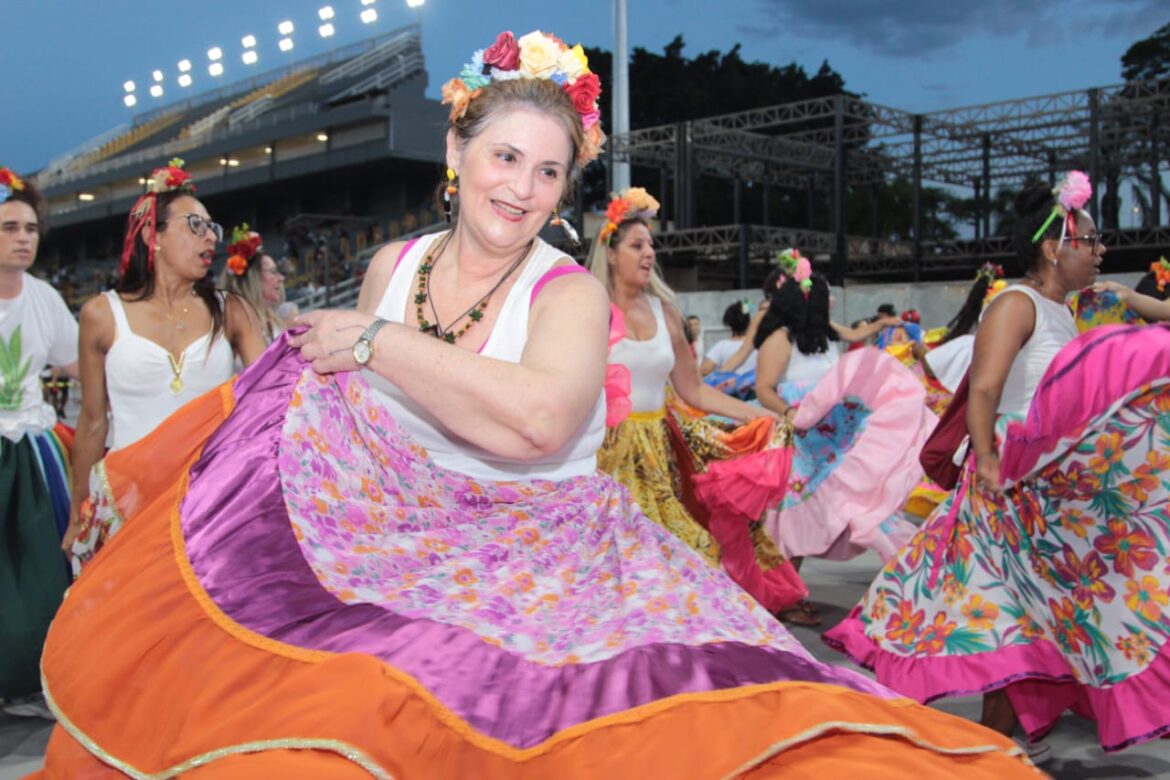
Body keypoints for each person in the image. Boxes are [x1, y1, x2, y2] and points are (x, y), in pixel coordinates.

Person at [33, 32, 1035, 778]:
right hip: (401, 544)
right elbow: (343, 419)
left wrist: (378, 345)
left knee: (664, 737)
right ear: (458, 151)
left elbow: (540, 423)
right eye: (504, 157)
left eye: (547, 170)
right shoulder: (392, 266)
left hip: (549, 553)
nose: (521, 187)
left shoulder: (571, 291)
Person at [826, 172, 1170, 756]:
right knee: (1004, 622)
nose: (1100, 249)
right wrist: (987, 461)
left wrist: (1133, 300)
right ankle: (963, 753)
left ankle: (989, 755)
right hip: (1004, 491)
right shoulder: (1016, 303)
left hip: (1044, 497)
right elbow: (982, 391)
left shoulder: (1070, 310)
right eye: (1090, 239)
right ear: (1052, 246)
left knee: (1020, 628)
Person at [591, 188, 806, 613]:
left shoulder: (665, 311)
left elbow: (694, 391)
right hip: (604, 455)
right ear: (612, 254)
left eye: (651, 244)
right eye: (637, 245)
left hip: (659, 449)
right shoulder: (589, 308)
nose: (649, 253)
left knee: (684, 548)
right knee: (612, 557)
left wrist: (757, 414)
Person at [698, 249, 932, 625]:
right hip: (796, 441)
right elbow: (765, 388)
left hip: (828, 441)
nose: (833, 302)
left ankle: (788, 594)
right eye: (827, 297)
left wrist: (886, 327)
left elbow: (852, 347)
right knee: (789, 521)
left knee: (823, 514)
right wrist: (794, 415)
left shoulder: (824, 336)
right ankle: (782, 596)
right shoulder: (781, 339)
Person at [63, 161, 266, 564]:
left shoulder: (233, 311)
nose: (210, 236)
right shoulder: (102, 314)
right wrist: (77, 512)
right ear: (151, 236)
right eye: (195, 224)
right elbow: (91, 422)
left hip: (210, 500)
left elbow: (269, 400)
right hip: (128, 500)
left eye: (213, 228)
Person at [0, 166, 77, 720]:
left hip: (30, 449)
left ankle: (32, 673)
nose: (23, 237)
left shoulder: (46, 298)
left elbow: (79, 365)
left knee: (40, 568)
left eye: (29, 228)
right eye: (8, 227)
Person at [219, 223, 287, 342]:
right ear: (252, 278)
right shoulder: (235, 326)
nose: (281, 278)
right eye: (272, 271)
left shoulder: (273, 322)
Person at [700, 300, 756, 398]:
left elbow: (705, 370)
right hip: (754, 392)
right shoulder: (757, 344)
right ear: (749, 322)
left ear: (728, 323)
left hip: (729, 395)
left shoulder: (721, 345)